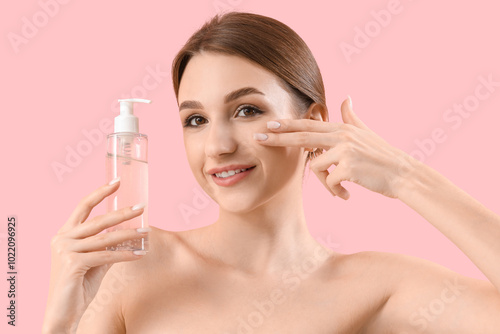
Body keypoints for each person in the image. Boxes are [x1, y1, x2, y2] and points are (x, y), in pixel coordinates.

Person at [43, 11, 500, 333]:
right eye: (196, 120)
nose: (218, 146)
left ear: (315, 124)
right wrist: (59, 326)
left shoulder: (376, 288)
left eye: (247, 110)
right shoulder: (131, 264)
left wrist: (405, 176)